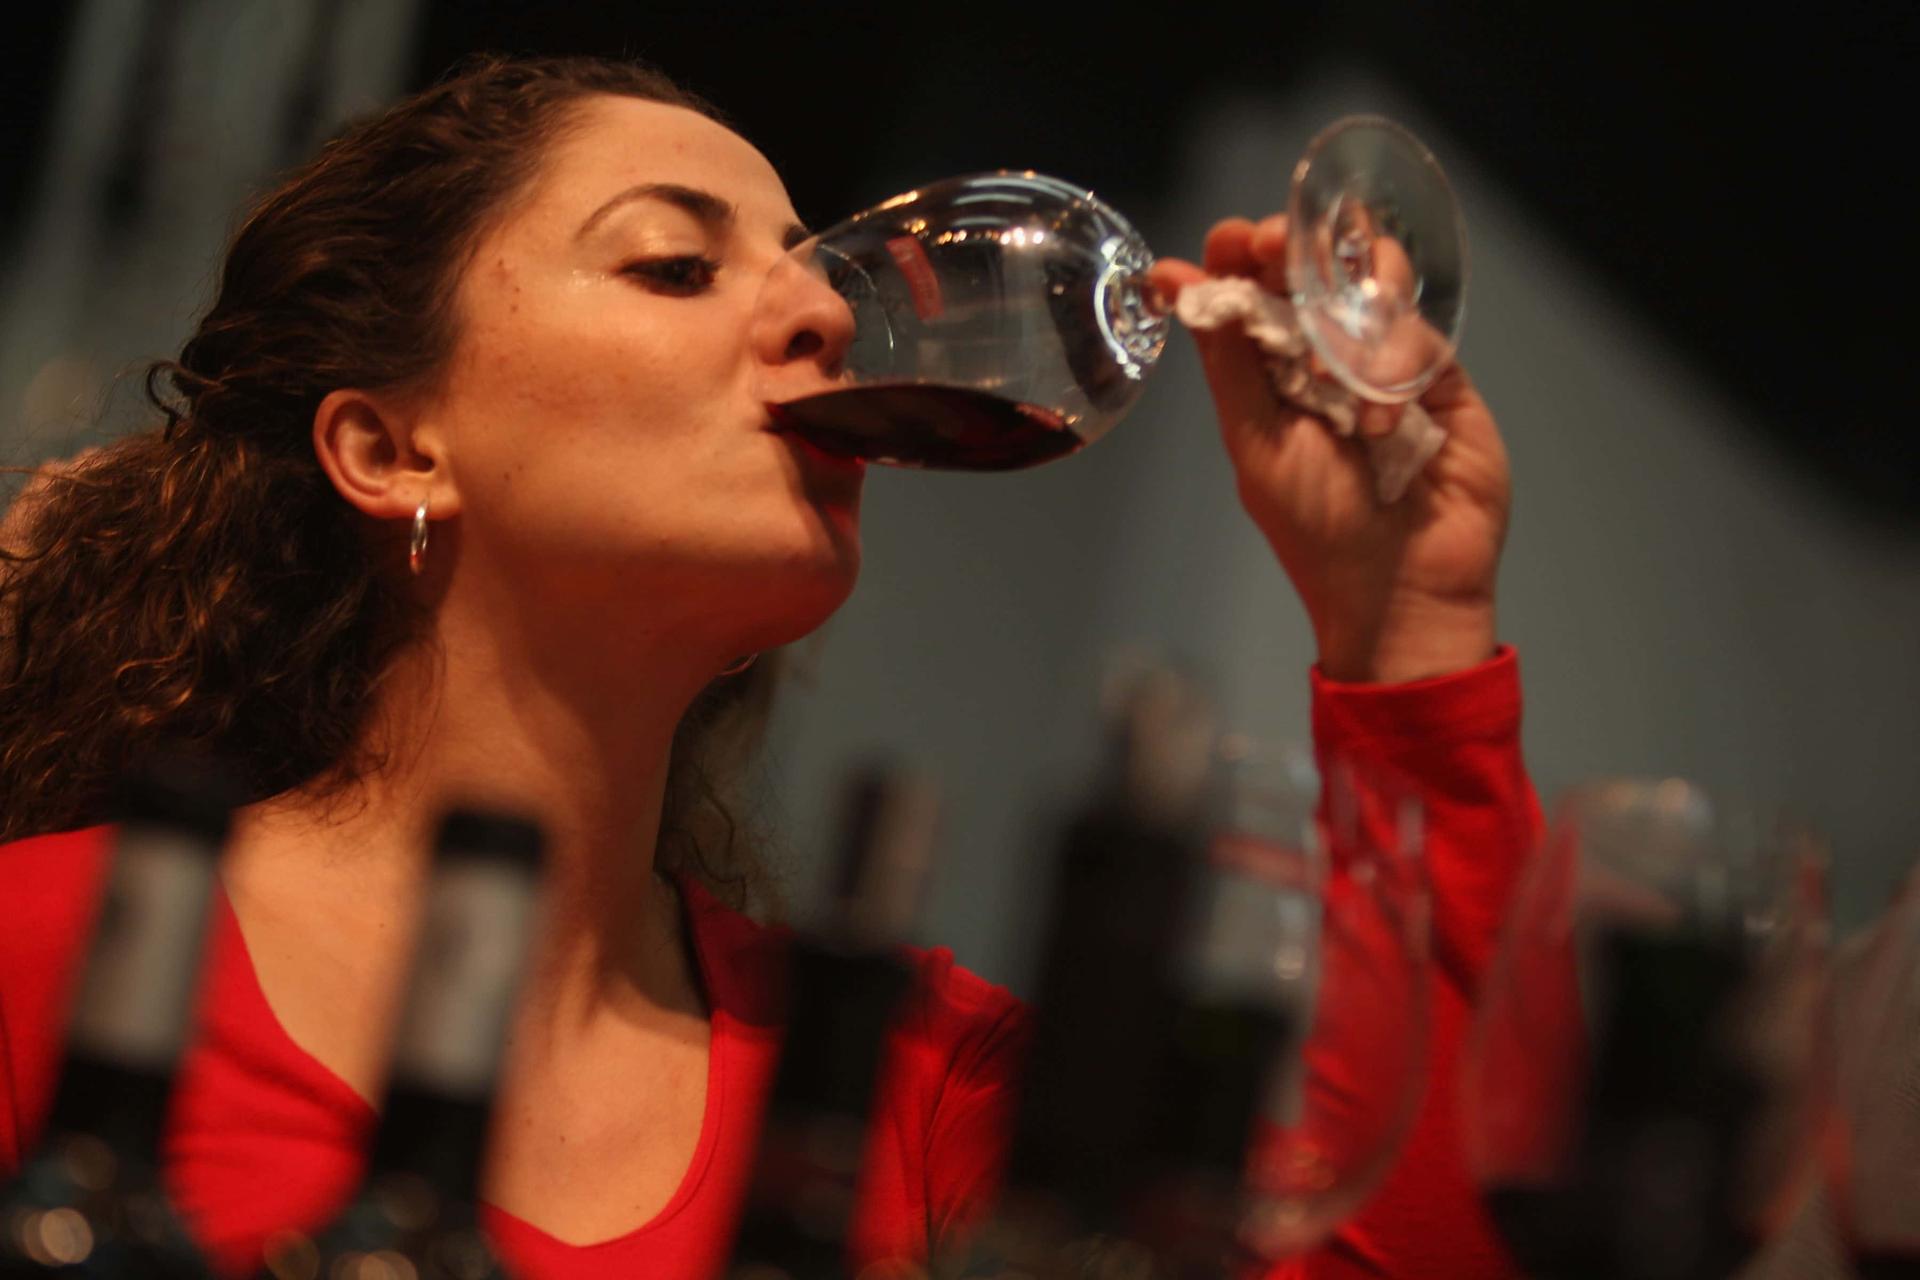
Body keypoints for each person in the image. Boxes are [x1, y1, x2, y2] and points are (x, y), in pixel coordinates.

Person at [0, 54, 1538, 1279]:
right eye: (676, 265)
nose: (831, 316)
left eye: (814, 265)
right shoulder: (51, 958)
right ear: (394, 448)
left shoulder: (905, 1083)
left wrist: (1407, 626)